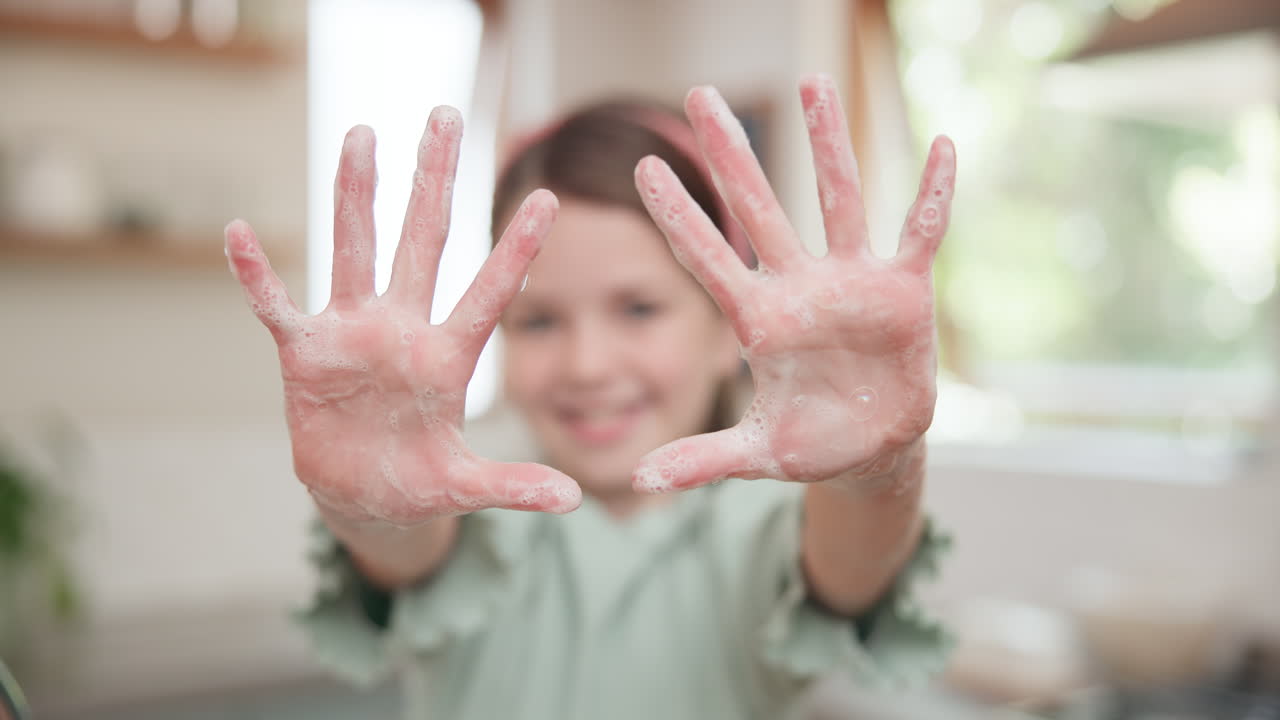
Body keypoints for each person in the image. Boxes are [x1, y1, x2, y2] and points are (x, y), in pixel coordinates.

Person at [223, 74, 956, 719]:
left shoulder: (760, 529)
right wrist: (370, 509)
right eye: (539, 321)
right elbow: (404, 550)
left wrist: (872, 473)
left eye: (638, 309)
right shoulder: (470, 516)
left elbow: (854, 560)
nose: (587, 365)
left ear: (725, 329)